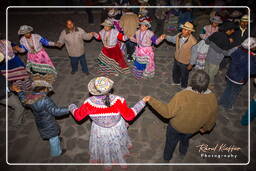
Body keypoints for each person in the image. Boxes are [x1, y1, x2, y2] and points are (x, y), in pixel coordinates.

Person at [68, 77, 147, 170]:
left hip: (100, 130)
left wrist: (72, 106)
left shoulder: (89, 103)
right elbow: (129, 116)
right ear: (109, 89)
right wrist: (142, 102)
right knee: (117, 142)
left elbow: (78, 116)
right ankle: (119, 156)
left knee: (104, 145)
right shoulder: (118, 100)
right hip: (117, 128)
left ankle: (107, 161)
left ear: (94, 91)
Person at [145, 70, 218, 161]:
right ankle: (183, 152)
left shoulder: (182, 95)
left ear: (192, 81)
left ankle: (167, 157)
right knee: (185, 140)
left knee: (171, 142)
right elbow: (212, 118)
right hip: (193, 129)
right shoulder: (212, 99)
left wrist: (151, 100)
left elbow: (167, 112)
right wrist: (206, 128)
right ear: (207, 84)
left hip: (176, 127)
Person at [11, 80, 70, 157]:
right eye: (47, 89)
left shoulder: (30, 97)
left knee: (51, 134)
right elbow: (55, 111)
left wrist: (19, 92)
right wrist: (68, 109)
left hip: (40, 121)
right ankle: (56, 152)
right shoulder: (45, 100)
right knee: (53, 137)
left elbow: (23, 100)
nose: (48, 91)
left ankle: (56, 138)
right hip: (48, 122)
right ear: (43, 89)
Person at [219, 37, 256, 110]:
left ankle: (222, 101)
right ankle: (228, 105)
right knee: (234, 92)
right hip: (239, 79)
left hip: (230, 74)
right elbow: (252, 71)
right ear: (251, 46)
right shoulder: (250, 57)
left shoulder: (237, 49)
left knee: (228, 89)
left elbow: (230, 54)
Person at [204, 21, 237, 87]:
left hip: (208, 57)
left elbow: (207, 41)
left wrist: (213, 45)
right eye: (232, 30)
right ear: (228, 30)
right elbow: (226, 53)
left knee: (206, 71)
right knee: (211, 74)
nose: (233, 31)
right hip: (215, 60)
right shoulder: (226, 40)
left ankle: (203, 81)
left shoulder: (216, 33)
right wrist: (235, 48)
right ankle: (209, 85)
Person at [165, 21, 197, 88]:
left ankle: (183, 86)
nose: (183, 31)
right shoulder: (179, 35)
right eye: (183, 29)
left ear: (190, 32)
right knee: (175, 71)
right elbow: (172, 39)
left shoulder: (193, 42)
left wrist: (191, 64)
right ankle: (176, 82)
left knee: (184, 75)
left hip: (185, 62)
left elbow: (194, 54)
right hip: (177, 58)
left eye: (185, 30)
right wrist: (165, 36)